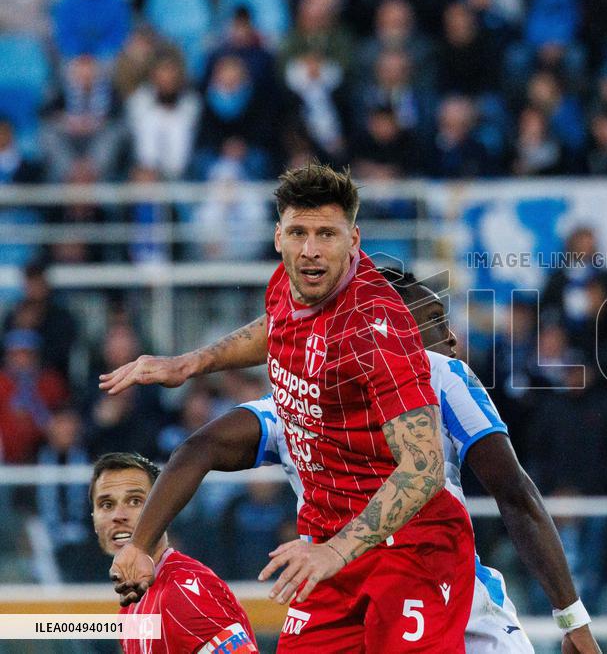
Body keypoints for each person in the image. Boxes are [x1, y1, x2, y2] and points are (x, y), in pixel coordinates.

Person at [101, 266, 601, 653]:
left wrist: (142, 545)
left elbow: (199, 448)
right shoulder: (435, 374)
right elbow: (514, 493)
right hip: (362, 595)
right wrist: (571, 618)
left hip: (431, 593)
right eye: (433, 323)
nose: (449, 341)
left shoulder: (306, 398)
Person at [101, 163, 475, 651]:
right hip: (328, 547)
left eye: (327, 234)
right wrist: (192, 363)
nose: (311, 249)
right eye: (298, 232)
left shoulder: (377, 330)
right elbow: (276, 326)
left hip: (412, 547)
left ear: (354, 240)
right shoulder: (289, 281)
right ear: (278, 236)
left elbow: (424, 469)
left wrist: (336, 551)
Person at [91, 452, 257, 653]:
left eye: (135, 501)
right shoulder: (130, 606)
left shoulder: (183, 592)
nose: (118, 516)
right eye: (106, 505)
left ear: (161, 510)